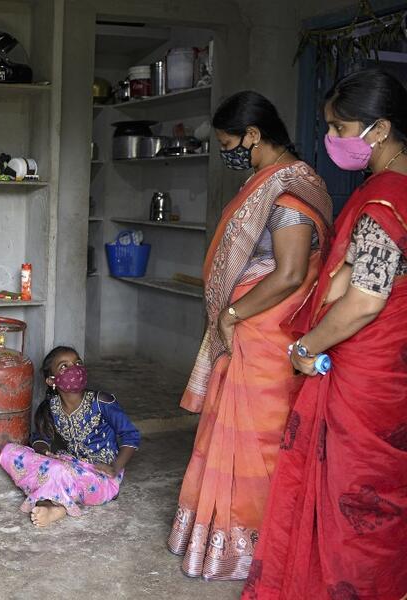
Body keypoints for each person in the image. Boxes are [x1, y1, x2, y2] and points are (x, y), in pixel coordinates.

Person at [243, 68, 407, 600]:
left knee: (354, 497)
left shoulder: (385, 198)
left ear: (379, 131)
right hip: (394, 363)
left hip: (368, 371)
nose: (331, 140)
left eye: (340, 128)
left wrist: (304, 347)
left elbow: (364, 301)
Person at [167, 91, 334, 580]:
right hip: (252, 327)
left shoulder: (288, 193)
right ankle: (220, 538)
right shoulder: (269, 183)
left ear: (254, 136)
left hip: (267, 332)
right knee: (229, 432)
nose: (228, 152)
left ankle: (255, 544)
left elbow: (289, 273)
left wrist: (234, 311)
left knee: (258, 441)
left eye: (228, 142)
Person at [0, 346, 140, 527]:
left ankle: (52, 506)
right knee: (10, 452)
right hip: (69, 463)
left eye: (77, 363)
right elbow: (40, 438)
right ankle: (56, 500)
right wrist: (44, 452)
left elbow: (130, 435)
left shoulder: (102, 401)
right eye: (64, 366)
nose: (74, 368)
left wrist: (115, 467)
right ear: (51, 381)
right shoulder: (51, 407)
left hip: (100, 476)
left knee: (57, 471)